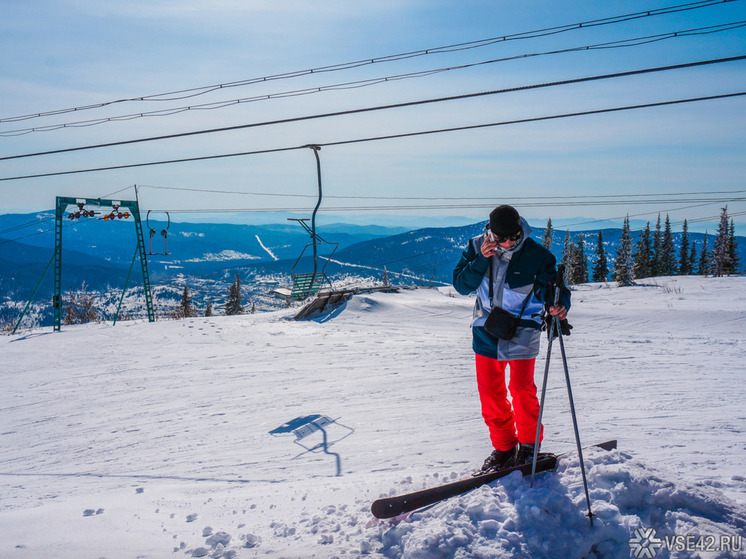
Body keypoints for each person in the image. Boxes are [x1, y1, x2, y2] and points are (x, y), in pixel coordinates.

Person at [452, 205, 571, 473]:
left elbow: (555, 289)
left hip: (523, 328)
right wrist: (481, 259)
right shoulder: (476, 247)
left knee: (520, 389)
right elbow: (460, 285)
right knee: (491, 394)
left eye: (514, 236)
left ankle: (529, 448)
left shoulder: (537, 255)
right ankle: (504, 448)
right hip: (486, 328)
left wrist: (560, 305)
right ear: (491, 232)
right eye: (502, 237)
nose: (509, 242)